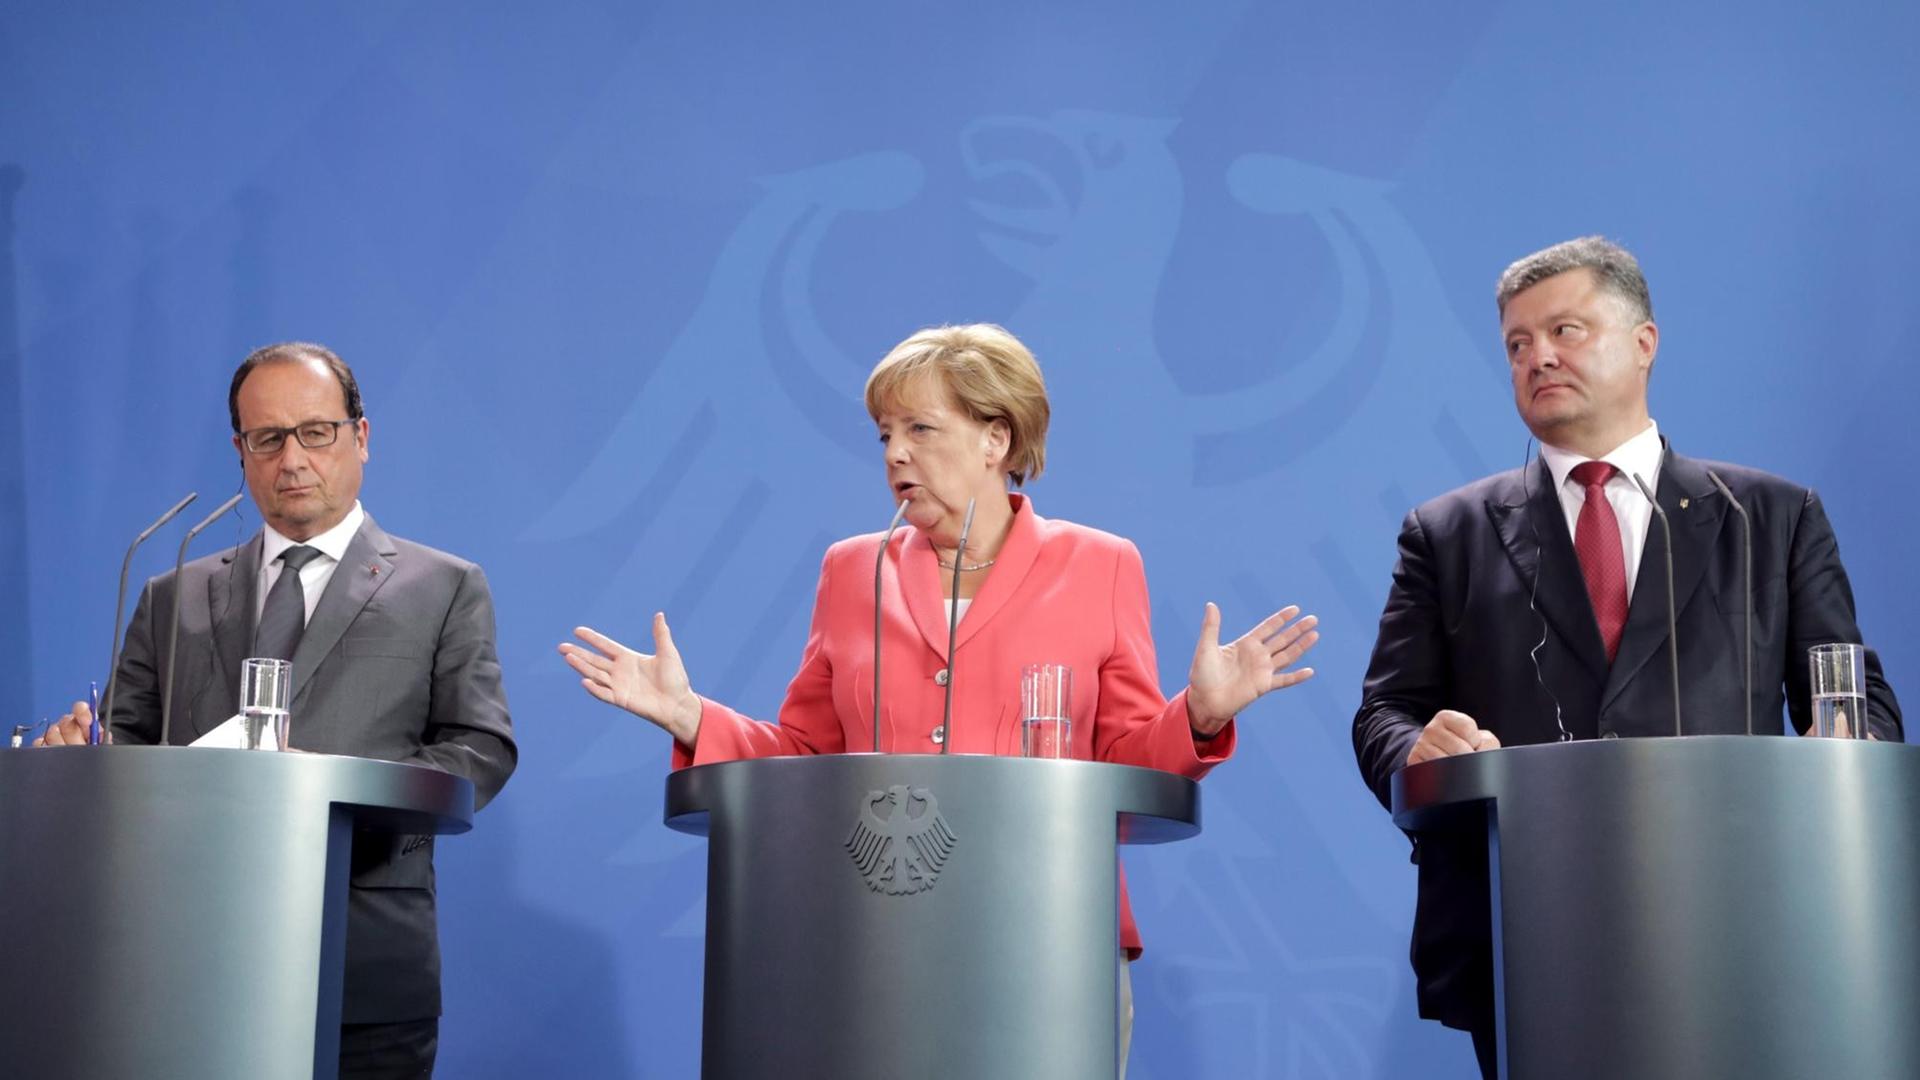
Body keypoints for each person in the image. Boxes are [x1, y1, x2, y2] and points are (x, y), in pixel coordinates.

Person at [560, 322, 1319, 1072]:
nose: (895, 453)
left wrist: (1199, 716)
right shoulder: (852, 570)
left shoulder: (1101, 566)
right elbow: (805, 755)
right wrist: (691, 716)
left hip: (1048, 939)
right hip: (872, 944)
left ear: (996, 438)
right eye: (885, 434)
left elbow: (1123, 763)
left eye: (920, 428)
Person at [1350, 236, 1902, 1078]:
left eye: (1564, 331)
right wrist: (1415, 750)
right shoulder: (1447, 533)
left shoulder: (1770, 517)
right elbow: (1385, 714)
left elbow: (1857, 704)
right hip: (1524, 926)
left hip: (1743, 923)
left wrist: (1839, 768)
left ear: (1644, 342)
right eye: (1517, 344)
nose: (1538, 358)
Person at [37, 342, 517, 1079]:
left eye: (315, 432)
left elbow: (479, 751)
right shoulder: (173, 594)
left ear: (360, 437)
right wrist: (82, 759)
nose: (292, 459)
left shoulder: (443, 586)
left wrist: (326, 791)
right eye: (267, 438)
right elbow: (127, 748)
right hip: (182, 963)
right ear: (241, 451)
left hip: (362, 963)